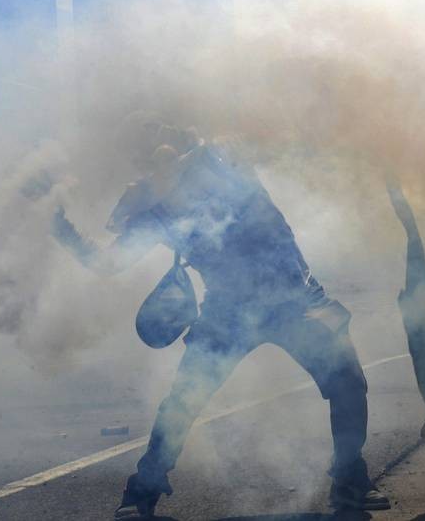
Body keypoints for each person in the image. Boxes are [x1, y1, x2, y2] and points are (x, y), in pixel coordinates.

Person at [51, 121, 389, 516]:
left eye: (164, 144)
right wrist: (61, 227)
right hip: (230, 310)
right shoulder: (152, 208)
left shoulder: (224, 157)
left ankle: (349, 480)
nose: (160, 156)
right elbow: (108, 263)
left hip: (293, 297)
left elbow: (277, 136)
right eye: (148, 152)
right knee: (183, 402)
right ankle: (141, 493)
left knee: (347, 380)